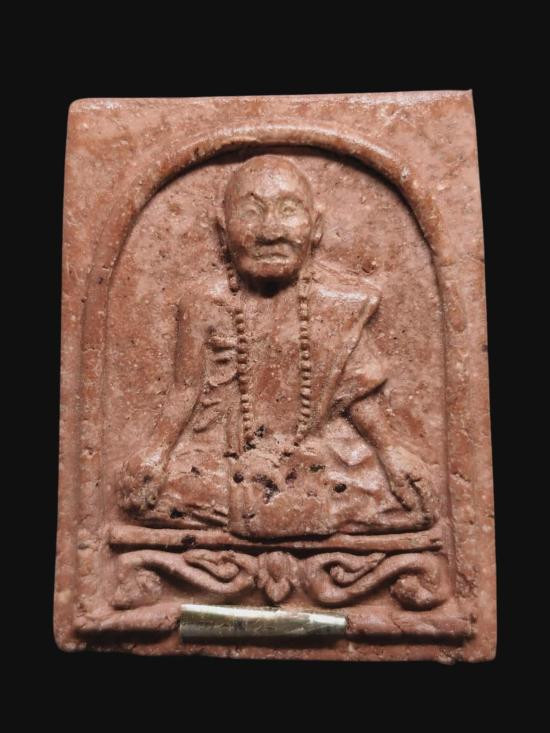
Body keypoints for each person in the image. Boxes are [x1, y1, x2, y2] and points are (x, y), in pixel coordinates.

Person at [117, 155, 437, 537]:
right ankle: (298, 513)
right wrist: (157, 452)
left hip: (316, 459)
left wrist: (391, 452)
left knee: (405, 496)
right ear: (223, 229)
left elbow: (356, 395)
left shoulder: (339, 304)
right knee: (150, 493)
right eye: (251, 212)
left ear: (316, 227)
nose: (271, 231)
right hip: (226, 462)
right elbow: (185, 390)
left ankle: (282, 510)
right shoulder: (204, 302)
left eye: (288, 211)